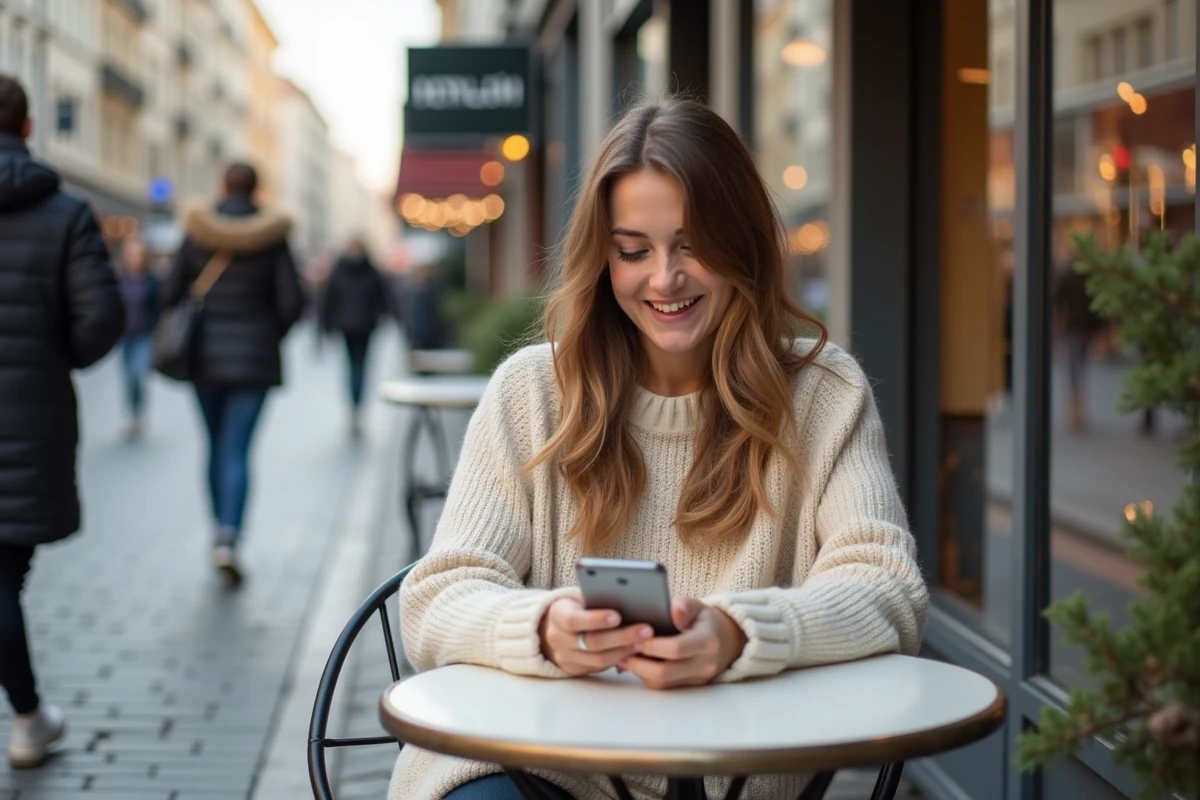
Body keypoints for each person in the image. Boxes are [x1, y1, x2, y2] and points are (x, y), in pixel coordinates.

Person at [391, 98, 928, 800]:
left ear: (743, 244)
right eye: (634, 250)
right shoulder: (533, 391)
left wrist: (741, 634)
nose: (665, 278)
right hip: (540, 770)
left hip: (733, 779)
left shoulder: (823, 393)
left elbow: (888, 586)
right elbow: (437, 596)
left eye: (693, 244)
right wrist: (545, 628)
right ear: (602, 258)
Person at [0, 74, 124, 768]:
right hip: (29, 413)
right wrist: (58, 354)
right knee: (4, 574)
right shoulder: (65, 212)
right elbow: (101, 318)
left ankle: (30, 716)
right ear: (28, 126)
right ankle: (27, 718)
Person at [161, 161, 304, 587]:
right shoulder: (273, 237)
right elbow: (293, 302)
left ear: (223, 187)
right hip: (254, 359)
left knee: (214, 444)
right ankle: (230, 537)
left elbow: (169, 294)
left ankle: (217, 532)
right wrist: (266, 333)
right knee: (237, 449)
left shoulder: (196, 231)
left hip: (203, 357)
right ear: (257, 190)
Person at [320, 236, 393, 436]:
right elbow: (384, 298)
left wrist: (326, 327)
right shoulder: (371, 271)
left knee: (351, 365)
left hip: (347, 326)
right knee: (361, 365)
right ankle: (357, 405)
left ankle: (353, 405)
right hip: (365, 326)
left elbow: (328, 300)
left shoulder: (339, 271)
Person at [116, 235, 161, 439]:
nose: (135, 258)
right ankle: (132, 416)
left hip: (145, 336)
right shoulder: (120, 280)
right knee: (128, 378)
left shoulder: (152, 281)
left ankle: (139, 414)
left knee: (138, 374)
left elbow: (160, 307)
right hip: (125, 337)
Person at [1052, 261, 1103, 432]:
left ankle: (1074, 410)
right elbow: (1095, 306)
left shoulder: (1067, 276)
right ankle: (1077, 409)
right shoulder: (1087, 278)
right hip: (1083, 328)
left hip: (1072, 327)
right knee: (1079, 367)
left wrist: (1058, 326)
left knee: (1072, 367)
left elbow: (1057, 303)